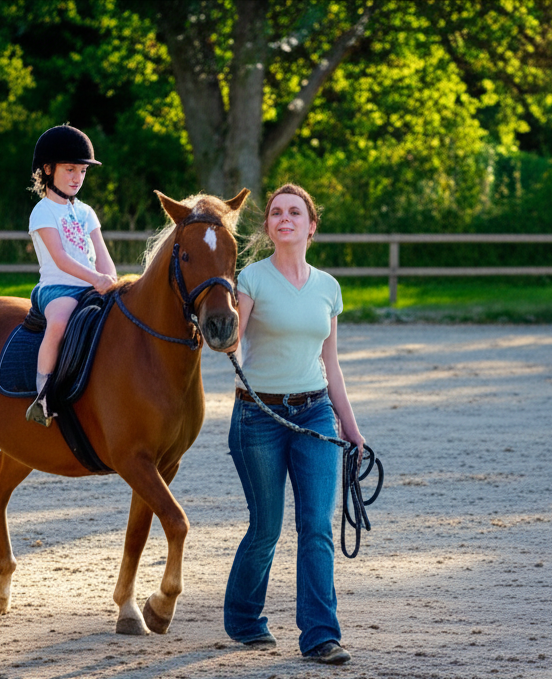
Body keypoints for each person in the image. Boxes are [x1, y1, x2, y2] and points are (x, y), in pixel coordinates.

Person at [224, 183, 365, 665]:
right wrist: (222, 331)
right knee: (266, 526)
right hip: (258, 414)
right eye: (277, 213)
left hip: (315, 413)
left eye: (295, 213)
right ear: (268, 226)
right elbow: (231, 338)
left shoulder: (328, 287)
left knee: (316, 525)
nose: (285, 219)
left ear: (311, 225)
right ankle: (245, 621)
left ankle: (321, 635)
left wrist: (350, 424)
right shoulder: (251, 279)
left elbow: (333, 364)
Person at [25, 124, 117, 426]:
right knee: (61, 321)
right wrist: (95, 279)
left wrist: (112, 280)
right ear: (48, 170)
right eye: (70, 170)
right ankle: (43, 393)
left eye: (82, 172)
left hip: (91, 285)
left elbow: (102, 255)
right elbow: (61, 259)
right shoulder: (43, 211)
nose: (77, 178)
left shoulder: (87, 212)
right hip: (57, 288)